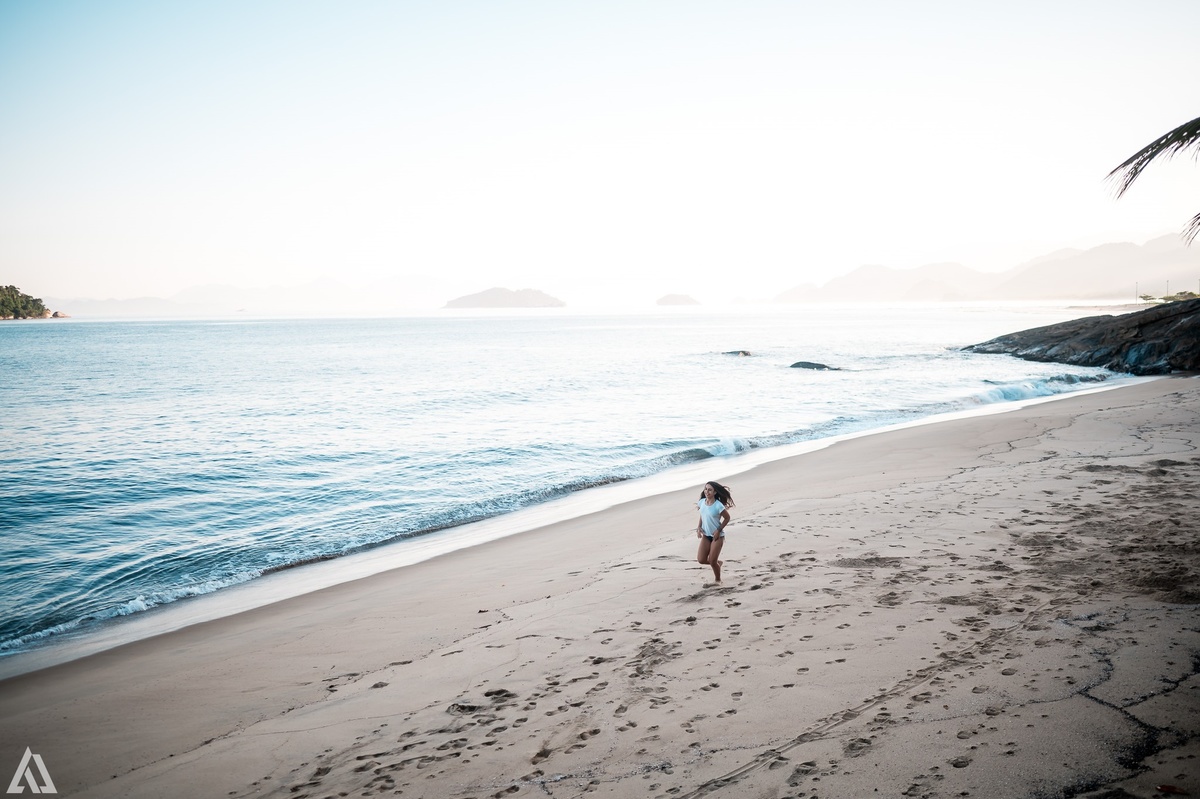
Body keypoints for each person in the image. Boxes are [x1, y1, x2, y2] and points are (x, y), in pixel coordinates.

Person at [695, 480, 734, 583]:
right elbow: (702, 515)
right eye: (705, 489)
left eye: (710, 490)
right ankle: (718, 563)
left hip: (717, 536)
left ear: (715, 492)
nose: (707, 492)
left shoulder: (718, 505)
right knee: (701, 560)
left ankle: (718, 580)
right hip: (706, 535)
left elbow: (727, 518)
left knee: (712, 561)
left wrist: (718, 530)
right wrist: (699, 527)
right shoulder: (702, 502)